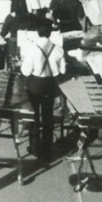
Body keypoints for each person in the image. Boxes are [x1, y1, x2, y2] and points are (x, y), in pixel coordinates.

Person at [17, 18, 65, 161]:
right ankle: (47, 150)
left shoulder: (32, 49)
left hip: (34, 86)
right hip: (49, 85)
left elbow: (25, 72)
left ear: (37, 32)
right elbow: (62, 70)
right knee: (48, 117)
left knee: (34, 117)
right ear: (51, 32)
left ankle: (35, 148)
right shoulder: (58, 49)